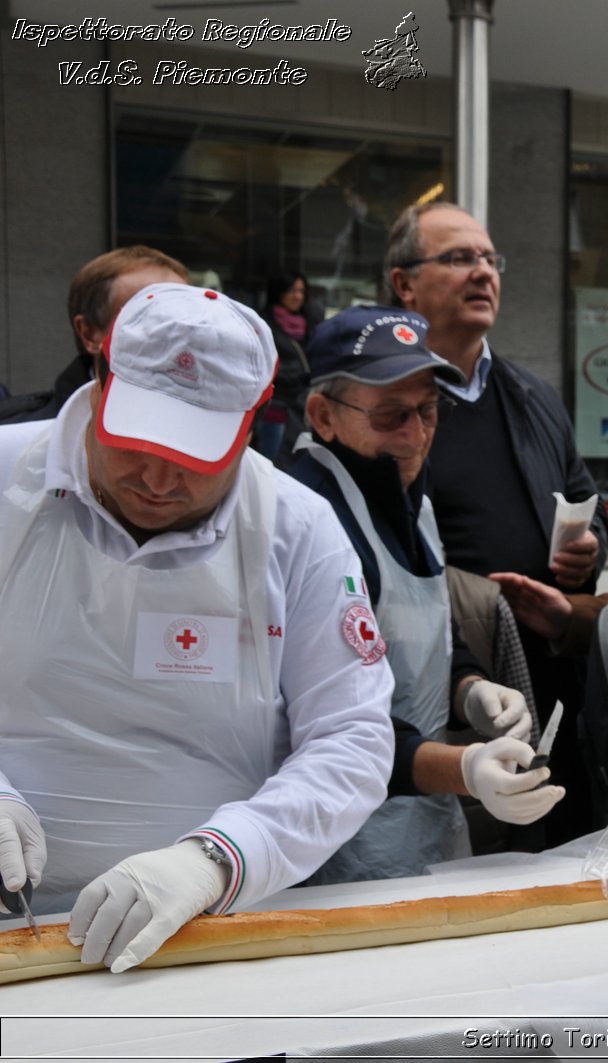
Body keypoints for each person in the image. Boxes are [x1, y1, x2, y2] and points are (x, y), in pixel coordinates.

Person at [0, 282, 392, 972]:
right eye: (138, 440)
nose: (156, 476)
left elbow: (351, 738)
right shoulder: (7, 481)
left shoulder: (297, 529)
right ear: (99, 380)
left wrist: (219, 856)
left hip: (211, 932)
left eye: (192, 454)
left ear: (248, 428)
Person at [288, 306, 565, 883]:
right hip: (331, 844)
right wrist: (466, 767)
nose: (416, 436)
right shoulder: (309, 522)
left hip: (418, 823)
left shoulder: (414, 503)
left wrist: (470, 689)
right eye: (391, 415)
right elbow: (329, 725)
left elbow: (433, 634)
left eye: (429, 412)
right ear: (324, 416)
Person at [387, 201, 608, 844]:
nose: (482, 272)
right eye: (458, 258)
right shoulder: (389, 410)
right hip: (449, 689)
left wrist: (585, 554)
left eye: (489, 259)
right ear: (404, 284)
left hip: (547, 673)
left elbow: (584, 498)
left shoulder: (531, 394)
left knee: (559, 845)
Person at [0, 246, 187, 425]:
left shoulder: (213, 428)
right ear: (89, 333)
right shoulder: (14, 437)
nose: (176, 330)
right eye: (147, 316)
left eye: (189, 314)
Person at [253, 272, 314, 465]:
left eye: (301, 291)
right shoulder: (264, 325)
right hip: (275, 410)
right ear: (278, 292)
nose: (297, 296)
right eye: (291, 290)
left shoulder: (307, 325)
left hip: (301, 410)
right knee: (270, 465)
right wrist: (300, 378)